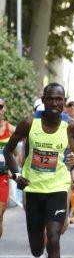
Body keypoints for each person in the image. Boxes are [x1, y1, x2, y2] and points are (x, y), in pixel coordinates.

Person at [3, 84, 74, 258]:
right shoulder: (30, 123)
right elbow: (9, 150)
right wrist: (16, 175)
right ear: (43, 99)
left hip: (58, 187)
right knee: (37, 246)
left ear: (63, 102)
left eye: (59, 100)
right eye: (50, 99)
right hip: (33, 188)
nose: (54, 104)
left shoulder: (70, 125)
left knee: (54, 238)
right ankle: (38, 257)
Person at [0, 96, 18, 238]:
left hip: (3, 178)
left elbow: (17, 154)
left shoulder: (10, 129)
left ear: (4, 109)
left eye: (0, 107)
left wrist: (14, 170)